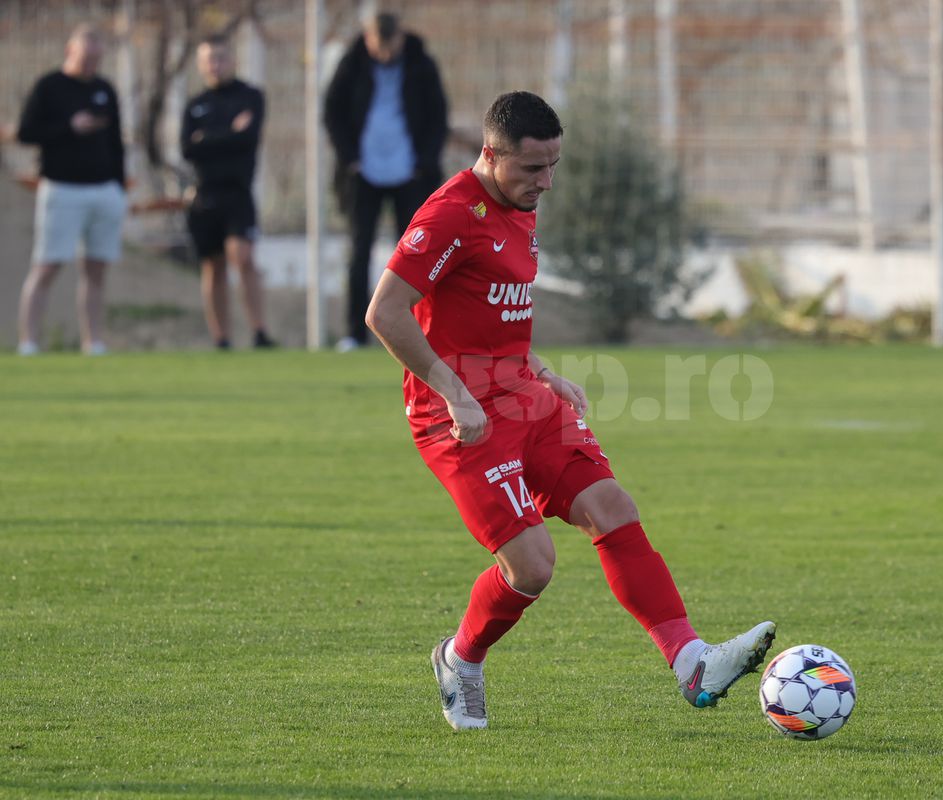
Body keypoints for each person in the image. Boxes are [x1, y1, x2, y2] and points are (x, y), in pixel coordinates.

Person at [365, 91, 775, 731]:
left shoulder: (520, 202)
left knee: (612, 508)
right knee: (532, 566)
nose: (547, 182)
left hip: (524, 397)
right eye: (533, 169)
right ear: (491, 155)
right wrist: (455, 392)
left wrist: (544, 373)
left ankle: (691, 659)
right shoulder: (450, 215)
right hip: (458, 415)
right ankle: (460, 659)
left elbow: (492, 313)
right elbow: (384, 312)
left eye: (554, 165)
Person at [324, 11, 448, 353]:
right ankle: (355, 333)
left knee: (415, 256)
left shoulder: (421, 64)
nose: (383, 53)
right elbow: (332, 110)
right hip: (363, 174)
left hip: (411, 174)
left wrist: (424, 163)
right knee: (359, 251)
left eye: (388, 46)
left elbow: (438, 115)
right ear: (368, 39)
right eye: (376, 46)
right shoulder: (353, 63)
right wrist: (350, 158)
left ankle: (418, 331)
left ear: (400, 39)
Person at [16, 23, 126, 356]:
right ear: (70, 51)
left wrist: (119, 186)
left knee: (96, 269)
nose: (92, 64)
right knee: (47, 266)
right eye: (86, 57)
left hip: (104, 190)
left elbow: (116, 141)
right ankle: (29, 342)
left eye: (97, 58)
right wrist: (68, 127)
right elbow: (26, 133)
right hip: (63, 189)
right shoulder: (49, 87)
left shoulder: (105, 88)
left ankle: (93, 342)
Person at [181, 33, 276, 350]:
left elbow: (247, 139)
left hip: (238, 192)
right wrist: (228, 134)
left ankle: (259, 331)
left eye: (220, 58)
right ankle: (221, 337)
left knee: (243, 256)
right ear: (200, 65)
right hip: (205, 195)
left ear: (232, 60)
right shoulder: (195, 105)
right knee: (213, 265)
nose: (215, 65)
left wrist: (207, 140)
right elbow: (187, 149)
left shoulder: (250, 96)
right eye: (209, 59)